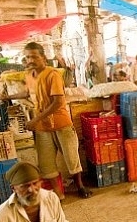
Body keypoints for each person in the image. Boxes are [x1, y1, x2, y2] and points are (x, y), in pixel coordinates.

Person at [22, 42, 93, 199]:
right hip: (42, 127)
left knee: (71, 157)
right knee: (47, 163)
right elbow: (27, 94)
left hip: (61, 123)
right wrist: (7, 97)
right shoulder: (29, 76)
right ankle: (59, 194)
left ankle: (80, 186)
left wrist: (35, 120)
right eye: (27, 57)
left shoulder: (53, 74)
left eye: (34, 56)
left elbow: (58, 102)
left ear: (43, 58)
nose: (30, 60)